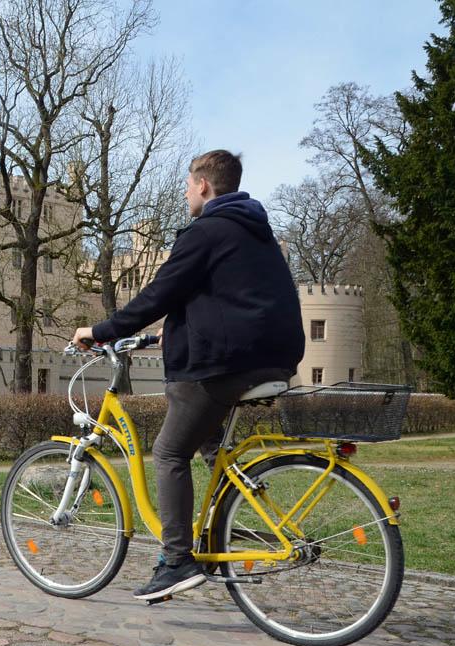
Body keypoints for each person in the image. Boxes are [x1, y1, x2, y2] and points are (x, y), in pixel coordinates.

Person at [72, 149, 305, 602]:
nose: (184, 193)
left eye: (187, 184)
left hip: (224, 364)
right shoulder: (255, 232)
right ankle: (227, 520)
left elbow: (160, 292)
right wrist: (172, 333)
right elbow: (230, 302)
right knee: (207, 441)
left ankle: (176, 560)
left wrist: (101, 331)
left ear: (203, 185)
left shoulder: (207, 231)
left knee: (168, 452)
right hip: (271, 357)